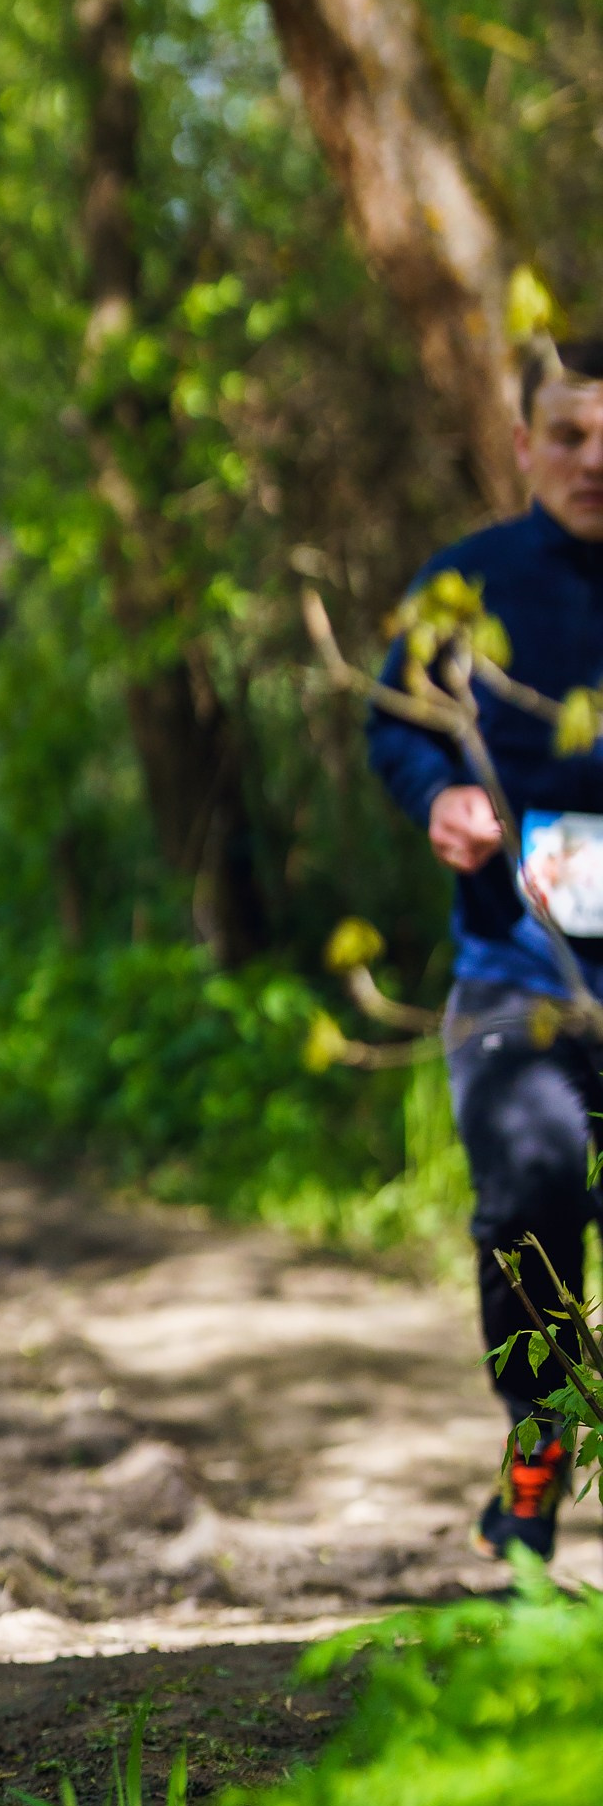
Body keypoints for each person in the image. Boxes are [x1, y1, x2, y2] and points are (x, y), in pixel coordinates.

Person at [369, 332, 603, 1564]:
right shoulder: (467, 582)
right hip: (515, 970)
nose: (592, 458)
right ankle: (537, 1447)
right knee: (527, 1194)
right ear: (522, 445)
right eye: (568, 433)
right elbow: (391, 725)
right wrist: (437, 801)